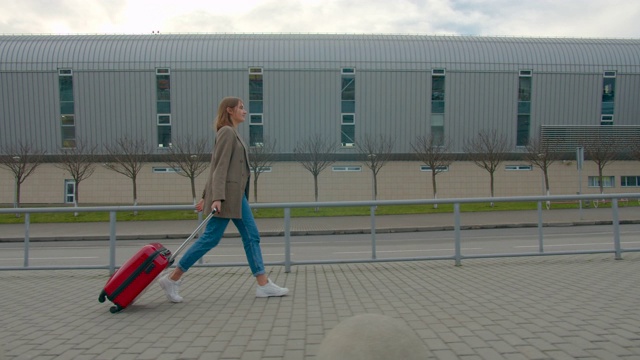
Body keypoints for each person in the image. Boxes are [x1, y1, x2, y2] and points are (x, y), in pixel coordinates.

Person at [158, 96, 289, 302]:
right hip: (228, 197)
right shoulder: (227, 132)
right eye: (241, 108)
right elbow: (219, 167)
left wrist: (206, 196)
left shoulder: (232, 134)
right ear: (230, 110)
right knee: (229, 237)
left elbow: (215, 167)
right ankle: (173, 278)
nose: (244, 111)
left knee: (239, 237)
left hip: (233, 197)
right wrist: (215, 197)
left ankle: (173, 279)